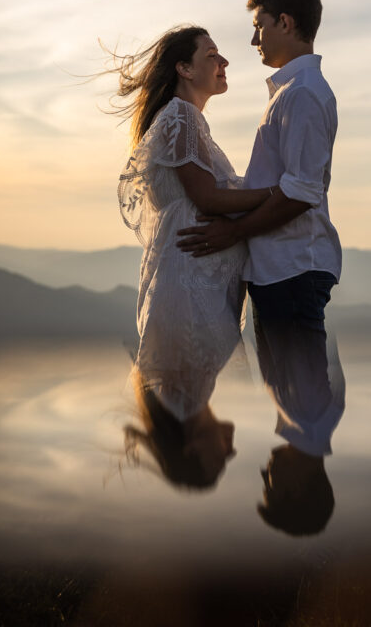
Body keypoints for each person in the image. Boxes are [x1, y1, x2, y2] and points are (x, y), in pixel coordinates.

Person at [177, 0, 344, 520]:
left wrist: (232, 231)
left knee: (298, 390)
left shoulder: (305, 96)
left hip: (294, 269)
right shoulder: (292, 95)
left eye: (259, 26)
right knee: (291, 391)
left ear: (285, 23)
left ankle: (300, 527)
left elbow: (300, 192)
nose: (253, 41)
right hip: (279, 269)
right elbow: (283, 184)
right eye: (275, 484)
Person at [113, 25, 278, 486]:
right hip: (190, 295)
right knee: (189, 390)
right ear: (184, 69)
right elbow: (205, 197)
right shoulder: (181, 118)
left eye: (220, 55)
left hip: (191, 289)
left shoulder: (185, 120)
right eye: (212, 55)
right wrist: (280, 193)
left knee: (187, 393)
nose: (223, 63)